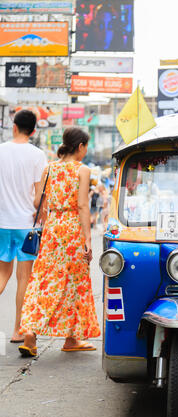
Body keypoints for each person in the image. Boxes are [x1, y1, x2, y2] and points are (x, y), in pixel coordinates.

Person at [18, 127, 100, 357]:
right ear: (81, 146)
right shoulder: (82, 170)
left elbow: (38, 202)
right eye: (86, 146)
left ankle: (31, 337)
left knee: (45, 281)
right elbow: (83, 206)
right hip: (72, 229)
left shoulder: (49, 169)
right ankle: (71, 338)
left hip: (52, 229)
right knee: (75, 281)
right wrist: (87, 239)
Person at [0, 109, 47, 343]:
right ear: (34, 130)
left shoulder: (0, 150)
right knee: (24, 279)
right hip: (26, 225)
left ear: (14, 126)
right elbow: (39, 198)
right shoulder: (38, 155)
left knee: (1, 275)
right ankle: (18, 329)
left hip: (2, 222)